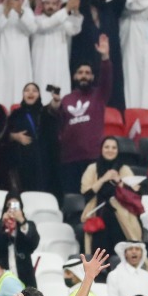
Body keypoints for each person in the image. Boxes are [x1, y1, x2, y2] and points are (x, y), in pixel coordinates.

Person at [53, 34, 112, 196]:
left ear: (93, 77)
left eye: (87, 73)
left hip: (92, 158)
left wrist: (105, 56)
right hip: (69, 160)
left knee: (92, 200)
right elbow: (58, 126)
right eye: (80, 73)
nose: (84, 75)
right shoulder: (66, 99)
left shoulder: (99, 95)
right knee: (72, 201)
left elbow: (107, 77)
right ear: (74, 76)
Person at [8, 82, 60, 194]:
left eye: (34, 90)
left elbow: (54, 109)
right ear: (23, 94)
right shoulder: (16, 114)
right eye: (27, 90)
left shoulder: (45, 112)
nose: (30, 92)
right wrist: (15, 136)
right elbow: (5, 134)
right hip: (23, 162)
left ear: (39, 95)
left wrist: (56, 100)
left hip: (45, 162)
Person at [33, 0, 83, 103]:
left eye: (54, 4)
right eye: (47, 3)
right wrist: (66, 9)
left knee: (61, 95)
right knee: (43, 95)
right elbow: (47, 24)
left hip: (59, 66)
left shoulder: (62, 20)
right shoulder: (37, 20)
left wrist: (75, 11)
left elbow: (75, 29)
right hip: (43, 66)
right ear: (42, 5)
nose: (51, 6)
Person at [0, 196, 39, 289]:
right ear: (5, 207)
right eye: (9, 205)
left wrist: (22, 221)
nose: (12, 208)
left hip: (25, 276)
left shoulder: (29, 225)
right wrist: (2, 225)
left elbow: (33, 243)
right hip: (3, 275)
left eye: (15, 205)